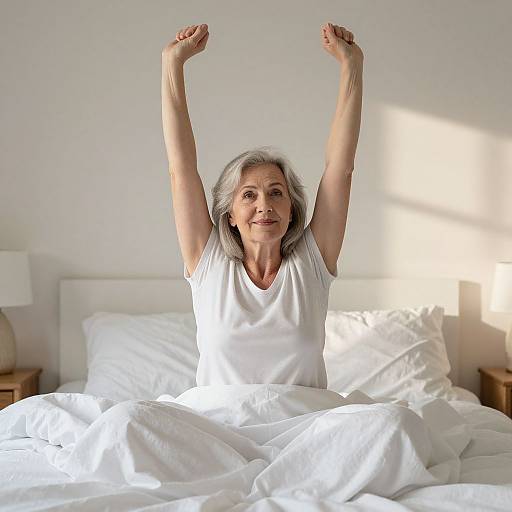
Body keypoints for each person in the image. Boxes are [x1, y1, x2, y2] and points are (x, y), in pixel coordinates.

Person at [161, 22, 363, 388]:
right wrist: (172, 64)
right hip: (221, 428)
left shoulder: (311, 265)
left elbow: (340, 169)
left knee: (395, 425)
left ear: (291, 210)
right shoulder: (209, 264)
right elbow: (181, 169)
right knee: (127, 425)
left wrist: (351, 66)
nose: (264, 205)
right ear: (231, 214)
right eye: (249, 195)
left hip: (304, 429)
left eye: (276, 193)